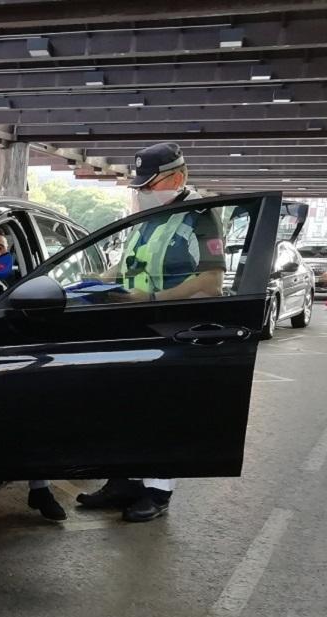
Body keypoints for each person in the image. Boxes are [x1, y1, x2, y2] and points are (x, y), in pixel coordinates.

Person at [77, 142, 225, 523]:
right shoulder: (147, 215)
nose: (143, 192)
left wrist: (154, 297)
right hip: (131, 323)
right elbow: (129, 262)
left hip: (172, 327)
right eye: (140, 187)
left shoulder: (200, 216)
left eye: (150, 185)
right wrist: (99, 281)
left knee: (161, 410)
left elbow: (211, 279)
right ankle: (122, 482)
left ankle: (158, 491)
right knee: (122, 407)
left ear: (178, 177)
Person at [0, 230, 68, 522]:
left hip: (4, 370)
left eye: (4, 248)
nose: (3, 255)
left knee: (32, 412)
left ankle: (40, 488)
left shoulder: (9, 292)